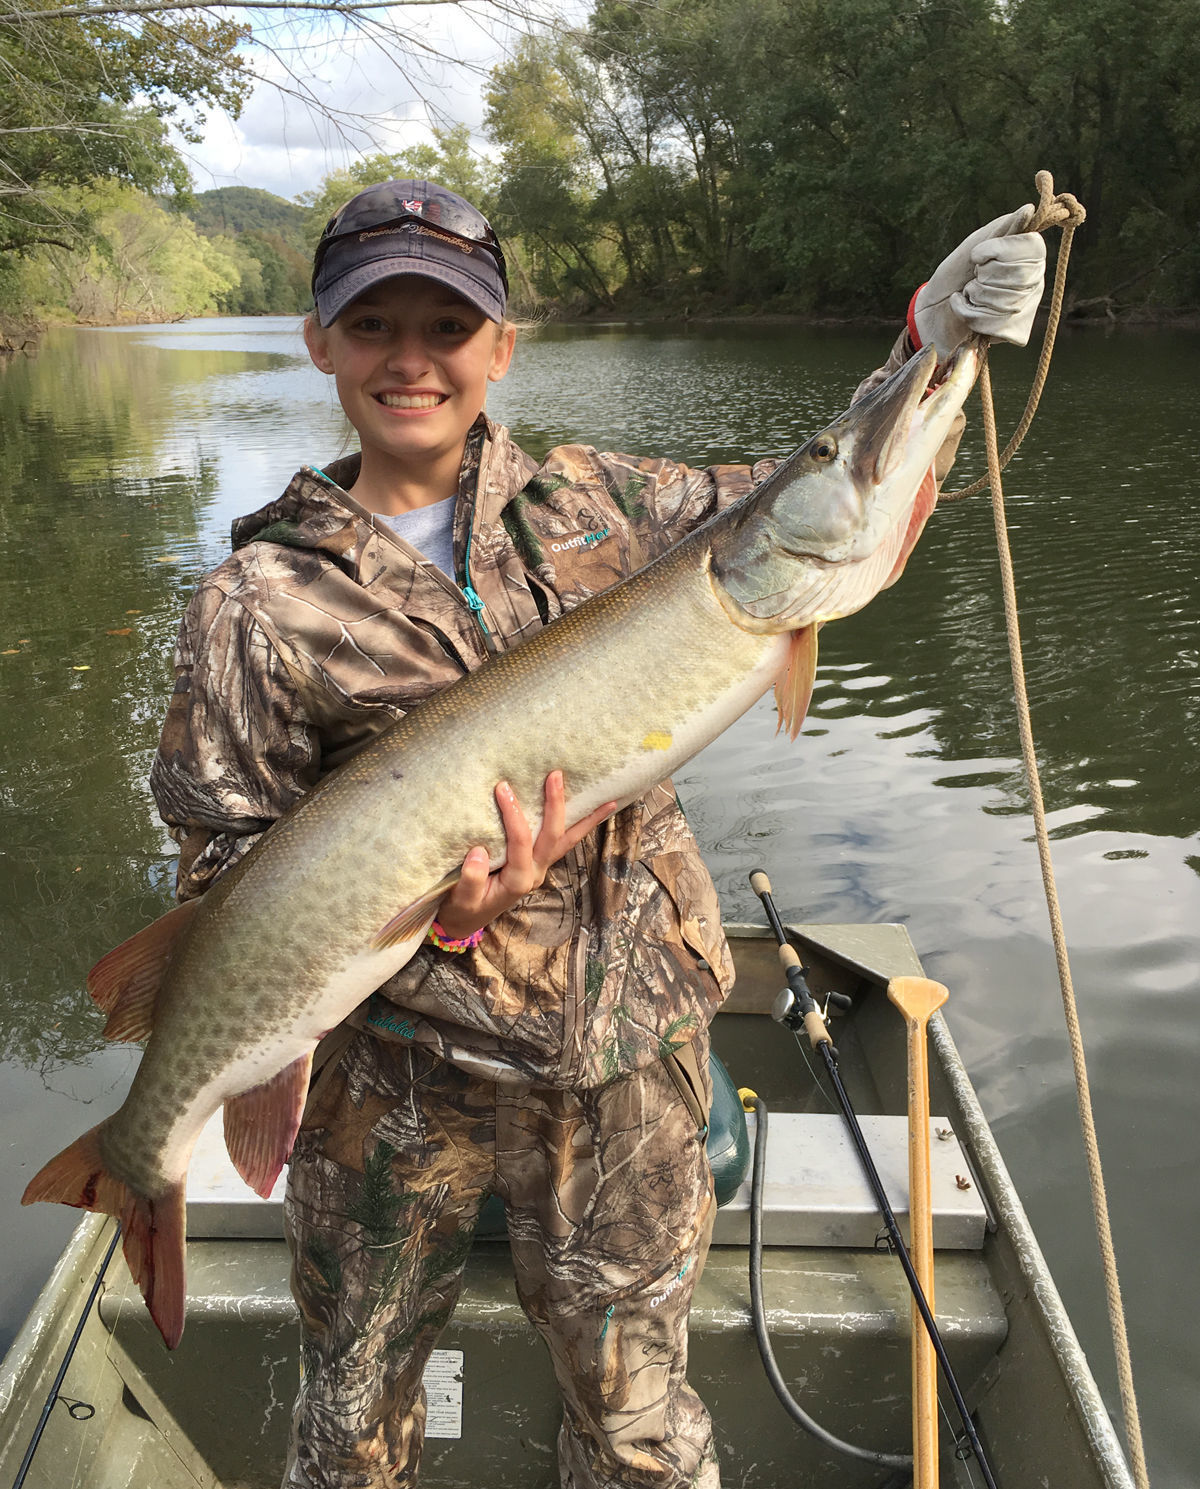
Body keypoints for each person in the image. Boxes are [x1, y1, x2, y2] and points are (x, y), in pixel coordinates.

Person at [149, 181, 1046, 1489]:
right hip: (381, 1084)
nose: (413, 358)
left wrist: (934, 344)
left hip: (620, 1061)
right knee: (350, 1435)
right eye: (375, 323)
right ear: (321, 343)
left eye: (448, 326)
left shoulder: (598, 506)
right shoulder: (255, 598)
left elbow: (830, 488)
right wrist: (435, 912)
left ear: (502, 348)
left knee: (637, 1436)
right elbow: (221, 862)